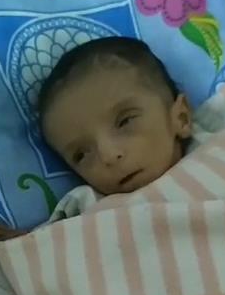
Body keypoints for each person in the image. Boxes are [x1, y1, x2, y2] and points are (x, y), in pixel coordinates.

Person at [38, 36, 193, 197]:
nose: (109, 156)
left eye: (124, 122)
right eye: (81, 155)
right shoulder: (90, 204)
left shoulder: (211, 142)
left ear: (181, 118)